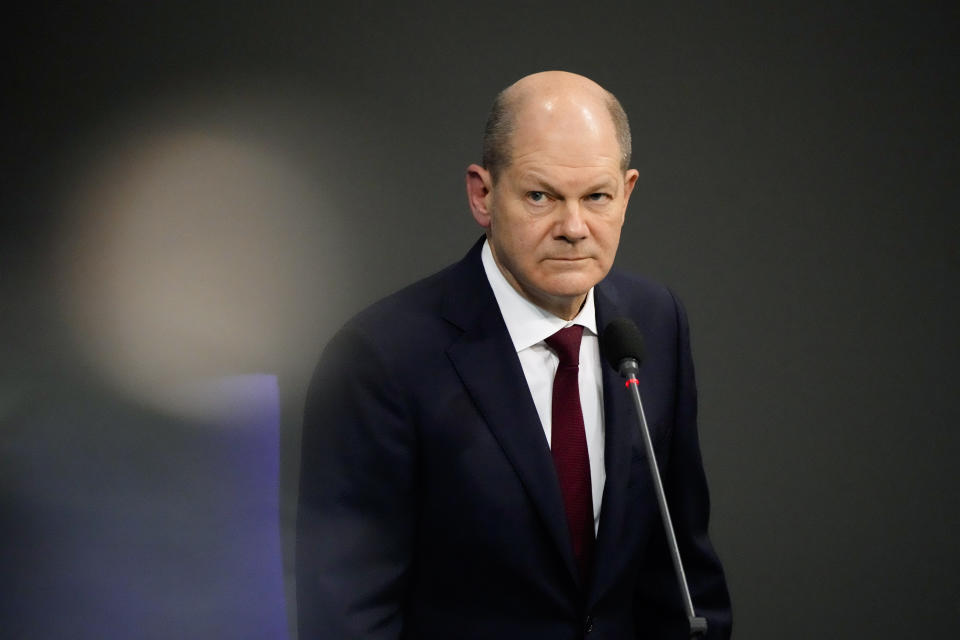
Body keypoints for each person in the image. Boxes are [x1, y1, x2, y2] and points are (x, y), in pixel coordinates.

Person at [296, 70, 732, 639]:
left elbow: (681, 567)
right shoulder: (381, 357)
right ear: (483, 194)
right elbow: (347, 613)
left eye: (596, 196)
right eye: (540, 196)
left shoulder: (653, 322)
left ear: (626, 194)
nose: (574, 228)